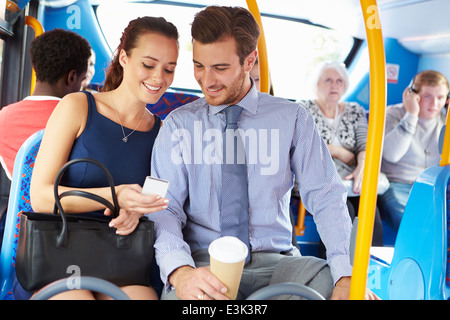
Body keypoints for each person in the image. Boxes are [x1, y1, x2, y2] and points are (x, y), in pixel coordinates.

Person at [150, 6, 376, 300]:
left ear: (249, 61)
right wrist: (180, 272)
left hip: (278, 263)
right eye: (198, 66)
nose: (207, 80)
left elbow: (326, 195)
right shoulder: (178, 125)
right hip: (204, 263)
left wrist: (347, 276)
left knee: (331, 289)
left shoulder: (292, 118)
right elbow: (164, 208)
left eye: (220, 68)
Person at [28, 16, 179, 300]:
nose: (159, 78)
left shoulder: (163, 132)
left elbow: (156, 200)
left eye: (169, 69)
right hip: (60, 254)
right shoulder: (78, 106)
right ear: (124, 57)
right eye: (148, 65)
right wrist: (115, 196)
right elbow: (41, 197)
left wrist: (137, 210)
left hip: (121, 260)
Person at [299, 61, 383, 248]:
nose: (334, 85)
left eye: (339, 81)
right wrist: (336, 151)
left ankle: (370, 267)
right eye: (328, 80)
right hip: (318, 175)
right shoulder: (302, 109)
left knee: (368, 209)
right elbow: (301, 145)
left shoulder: (355, 110)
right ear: (316, 84)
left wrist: (362, 166)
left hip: (349, 177)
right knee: (341, 208)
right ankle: (336, 270)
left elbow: (365, 145)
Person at [0, 28, 91, 180]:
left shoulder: (3, 118)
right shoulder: (85, 118)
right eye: (82, 80)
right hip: (70, 202)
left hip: (19, 203)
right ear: (72, 77)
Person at [379, 70, 449, 231]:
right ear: (412, 95)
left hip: (433, 186)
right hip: (397, 184)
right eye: (427, 97)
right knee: (410, 224)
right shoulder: (393, 114)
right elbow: (392, 155)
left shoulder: (445, 121)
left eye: (440, 98)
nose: (434, 104)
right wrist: (411, 115)